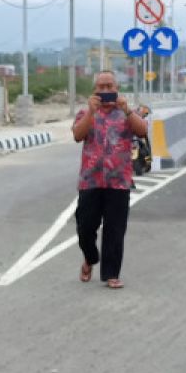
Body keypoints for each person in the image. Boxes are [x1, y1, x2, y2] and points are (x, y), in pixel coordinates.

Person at [71, 70, 148, 290]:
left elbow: (142, 131)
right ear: (94, 90)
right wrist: (91, 113)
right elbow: (77, 135)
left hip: (119, 181)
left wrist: (127, 111)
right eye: (101, 87)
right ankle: (90, 257)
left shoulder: (126, 112)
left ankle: (112, 273)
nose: (105, 91)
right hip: (91, 180)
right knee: (85, 227)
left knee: (115, 229)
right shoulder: (85, 112)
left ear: (117, 88)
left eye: (110, 86)